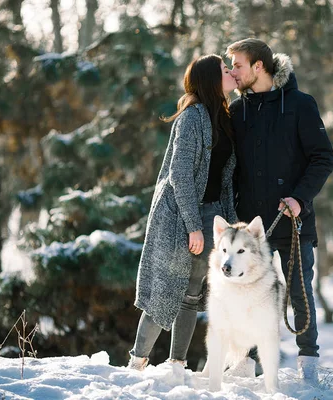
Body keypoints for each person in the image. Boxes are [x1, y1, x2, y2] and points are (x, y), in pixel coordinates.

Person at [226, 39, 333, 384]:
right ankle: (245, 363)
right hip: (249, 230)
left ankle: (309, 366)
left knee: (300, 293)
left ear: (259, 66)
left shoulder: (301, 105)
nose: (233, 73)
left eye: (238, 65)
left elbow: (323, 158)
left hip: (293, 220)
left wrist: (299, 199)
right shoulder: (237, 111)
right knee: (248, 296)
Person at [128, 54, 238, 371]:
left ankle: (177, 363)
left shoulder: (225, 118)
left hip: (214, 214)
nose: (230, 72)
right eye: (224, 69)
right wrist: (193, 226)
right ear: (209, 79)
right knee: (165, 291)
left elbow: (225, 177)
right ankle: (137, 361)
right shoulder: (192, 117)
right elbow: (179, 175)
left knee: (192, 294)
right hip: (183, 215)